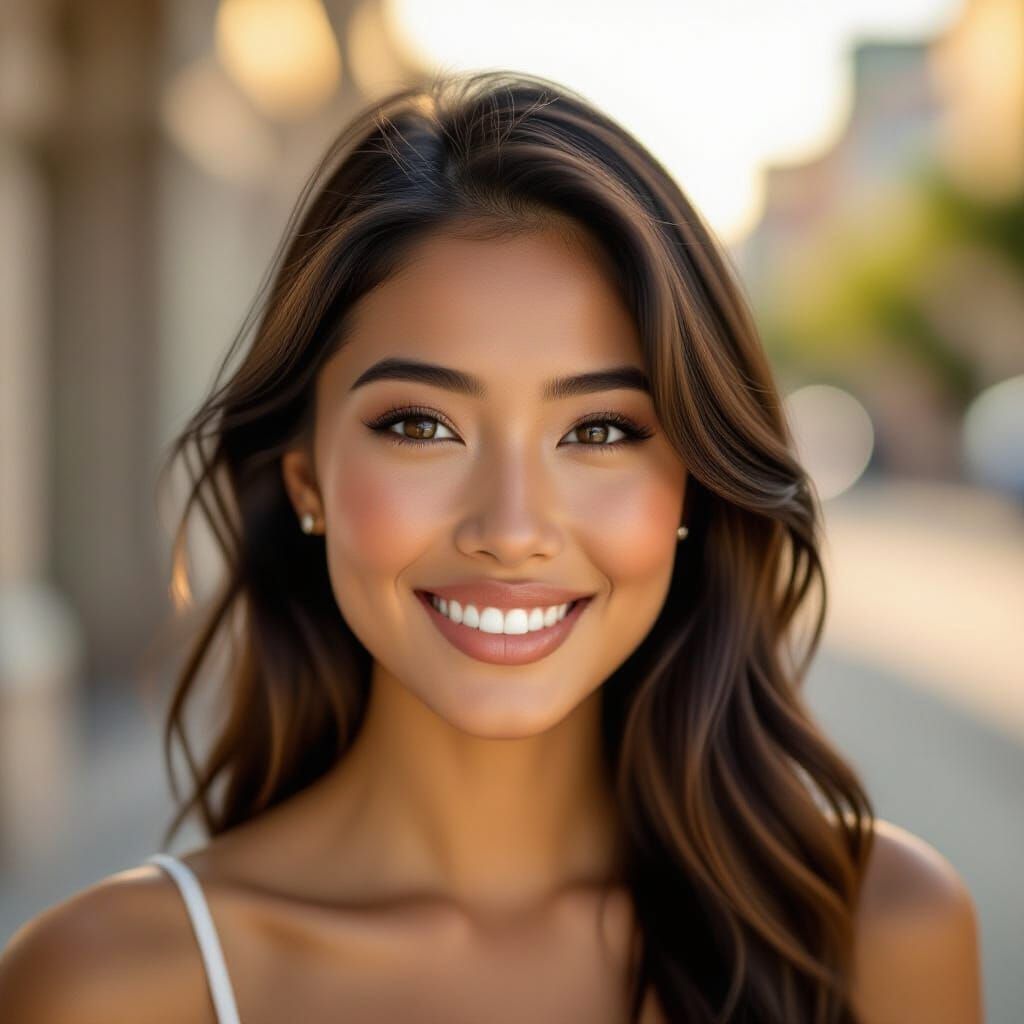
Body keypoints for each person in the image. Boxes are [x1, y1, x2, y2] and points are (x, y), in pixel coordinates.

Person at [0, 70, 982, 1023]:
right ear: (306, 478)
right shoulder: (108, 986)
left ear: (690, 482)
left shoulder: (875, 930)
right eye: (422, 425)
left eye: (598, 431)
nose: (511, 529)